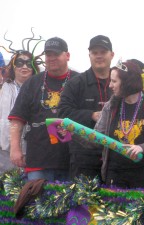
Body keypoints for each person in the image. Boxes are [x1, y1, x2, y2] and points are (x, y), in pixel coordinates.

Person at [93, 60, 144, 190]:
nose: (110, 86)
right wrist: (72, 133)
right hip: (114, 174)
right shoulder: (111, 105)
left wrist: (143, 147)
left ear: (127, 83)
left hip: (143, 175)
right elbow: (97, 138)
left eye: (114, 81)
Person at [8, 37, 79, 181]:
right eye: (48, 54)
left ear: (67, 55)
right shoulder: (32, 82)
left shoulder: (79, 81)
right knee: (36, 202)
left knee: (71, 204)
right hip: (38, 159)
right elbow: (17, 119)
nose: (51, 58)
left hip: (72, 160)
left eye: (56, 54)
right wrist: (15, 149)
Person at [58, 35, 114, 180]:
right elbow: (63, 113)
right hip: (83, 158)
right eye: (95, 53)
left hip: (115, 157)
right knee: (84, 202)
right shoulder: (75, 83)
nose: (99, 56)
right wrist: (91, 115)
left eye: (103, 52)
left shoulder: (121, 82)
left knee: (114, 200)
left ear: (112, 55)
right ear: (89, 55)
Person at [0, 50, 40, 174]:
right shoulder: (3, 89)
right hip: (4, 149)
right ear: (13, 66)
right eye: (20, 63)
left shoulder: (41, 89)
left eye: (29, 63)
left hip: (34, 148)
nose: (24, 67)